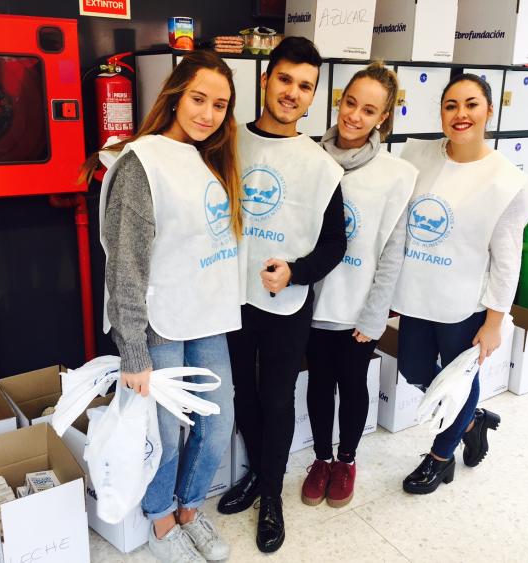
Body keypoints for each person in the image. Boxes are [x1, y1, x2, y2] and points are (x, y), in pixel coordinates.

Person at [79, 50, 242, 563]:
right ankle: (161, 520)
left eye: (219, 104)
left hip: (207, 318)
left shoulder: (207, 159)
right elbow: (125, 264)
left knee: (217, 423)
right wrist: (133, 351)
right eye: (198, 98)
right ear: (175, 95)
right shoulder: (141, 162)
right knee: (163, 434)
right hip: (159, 324)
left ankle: (192, 508)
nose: (207, 113)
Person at [216, 37, 345, 553]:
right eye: (286, 79)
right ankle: (256, 476)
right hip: (229, 297)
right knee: (242, 395)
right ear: (266, 79)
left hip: (285, 305)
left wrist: (294, 272)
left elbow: (335, 244)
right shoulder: (226, 142)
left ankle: (271, 494)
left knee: (275, 397)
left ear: (313, 97)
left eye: (305, 86)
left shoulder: (321, 166)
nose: (293, 92)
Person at [391, 73, 528, 494]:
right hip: (417, 296)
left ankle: (440, 457)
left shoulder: (508, 182)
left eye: (471, 104)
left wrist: (495, 321)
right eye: (451, 105)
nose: (461, 114)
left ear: (489, 110)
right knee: (414, 369)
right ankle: (473, 420)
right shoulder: (418, 157)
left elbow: (508, 261)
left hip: (464, 303)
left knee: (457, 381)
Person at [302, 62, 418, 508]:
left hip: (357, 308)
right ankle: (321, 459)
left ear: (382, 118)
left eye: (368, 110)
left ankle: (346, 461)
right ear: (339, 101)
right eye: (350, 103)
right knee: (317, 385)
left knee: (351, 385)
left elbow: (393, 251)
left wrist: (375, 315)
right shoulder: (310, 157)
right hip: (310, 302)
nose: (354, 115)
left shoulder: (396, 175)